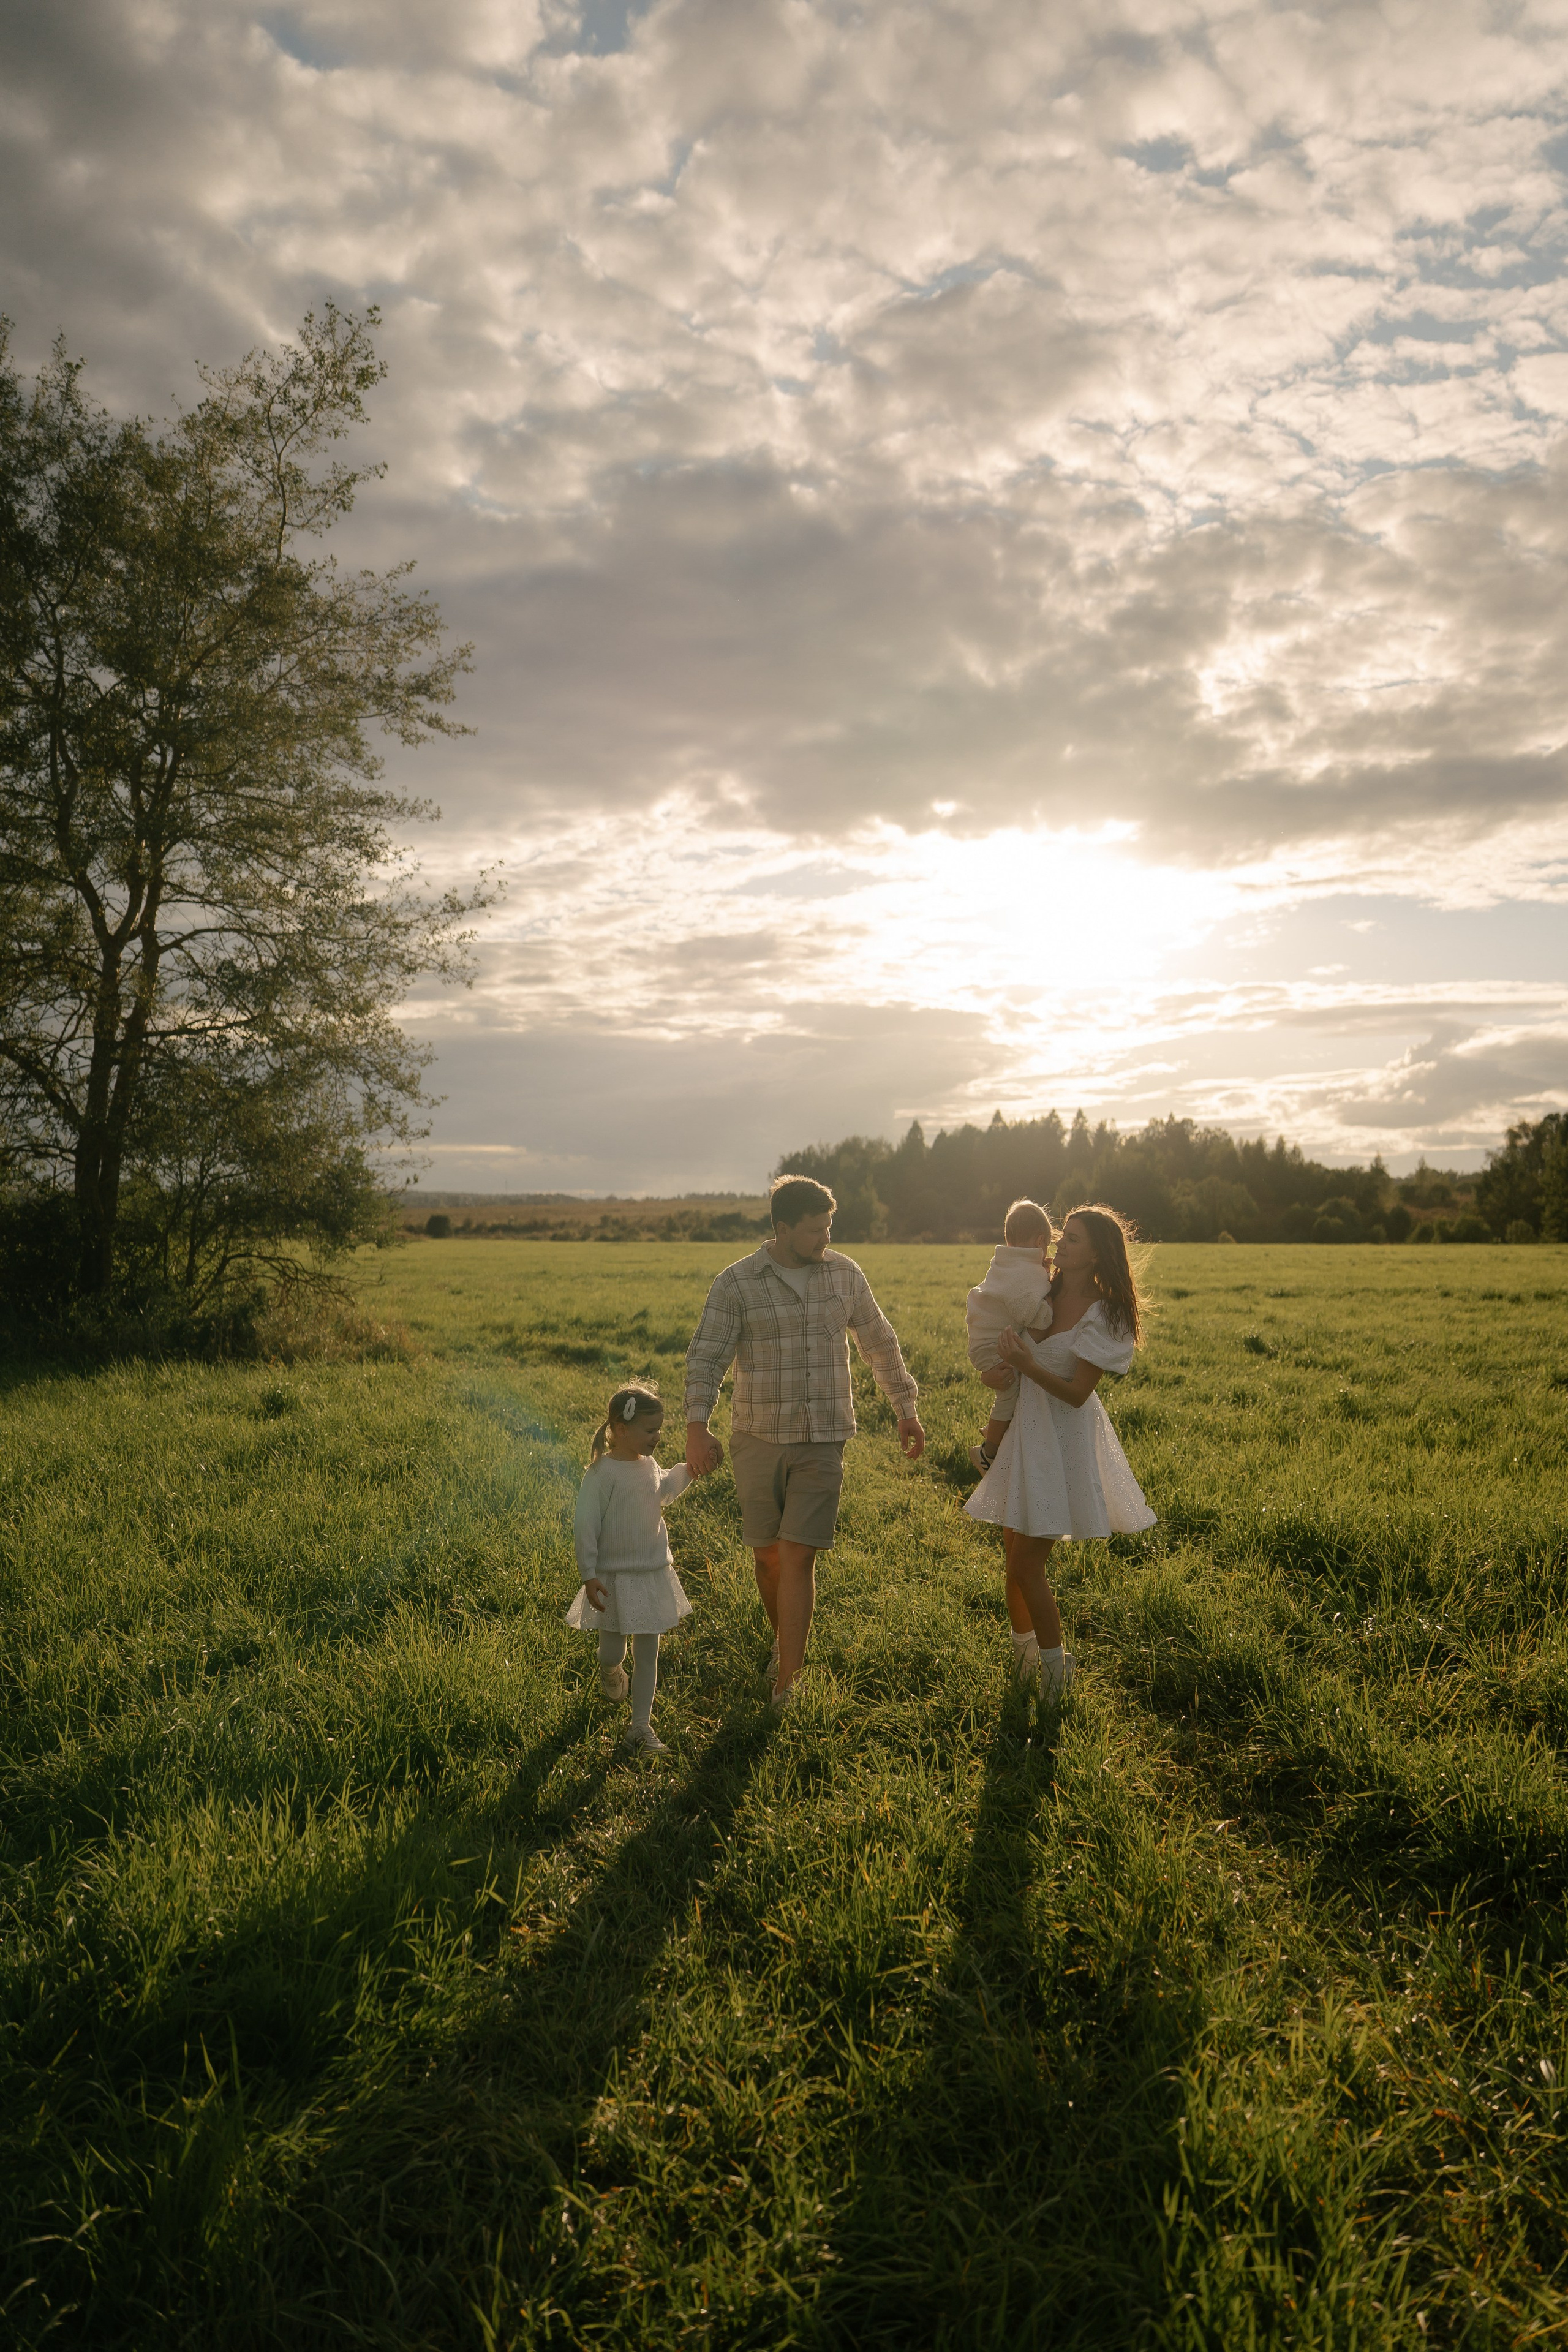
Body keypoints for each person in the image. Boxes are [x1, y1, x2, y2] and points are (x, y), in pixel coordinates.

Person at [684, 1175, 925, 1712]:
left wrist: (905, 1408)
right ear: (783, 1228)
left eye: (829, 1227)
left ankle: (787, 1684)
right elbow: (707, 1357)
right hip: (758, 1437)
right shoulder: (737, 1283)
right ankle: (783, 1642)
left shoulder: (844, 1274)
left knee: (798, 1556)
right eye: (816, 1230)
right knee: (768, 1557)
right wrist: (697, 1424)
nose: (825, 1238)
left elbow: (878, 1342)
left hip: (823, 1437)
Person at [965, 1205, 1156, 1703]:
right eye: (1060, 1237)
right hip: (1024, 1433)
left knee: (1028, 1565)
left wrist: (1027, 1362)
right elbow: (994, 1336)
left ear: (1097, 1252)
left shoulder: (1107, 1312)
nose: (1060, 1245)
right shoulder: (1040, 1288)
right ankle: (1024, 1658)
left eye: (1072, 1239)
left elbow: (1076, 1392)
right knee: (1013, 1560)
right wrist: (996, 1371)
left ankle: (1055, 1672)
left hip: (1064, 1437)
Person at [566, 1383, 695, 1754]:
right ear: (622, 1430)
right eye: (650, 1430)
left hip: (651, 1573)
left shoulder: (651, 1465)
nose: (658, 1438)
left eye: (660, 1430)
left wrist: (690, 1469)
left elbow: (665, 1490)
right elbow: (585, 1526)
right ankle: (609, 1670)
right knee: (612, 1652)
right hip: (613, 1579)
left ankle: (641, 1727)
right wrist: (589, 1574)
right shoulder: (601, 1474)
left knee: (648, 1651)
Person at [966, 1197, 1057, 1476]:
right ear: (1040, 1241)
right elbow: (1037, 1315)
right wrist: (1049, 1288)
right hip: (993, 1346)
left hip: (983, 1337)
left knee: (1010, 1391)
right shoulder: (1026, 1272)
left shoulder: (1004, 1263)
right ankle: (986, 1453)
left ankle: (995, 1429)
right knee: (1010, 1389)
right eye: (1047, 1246)